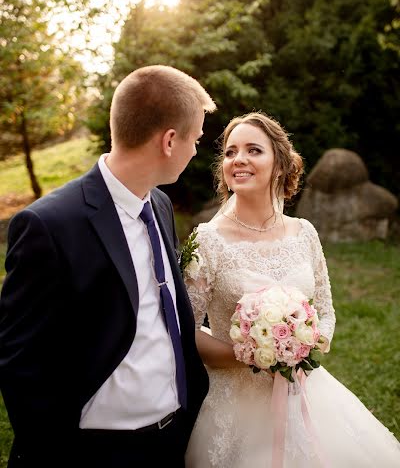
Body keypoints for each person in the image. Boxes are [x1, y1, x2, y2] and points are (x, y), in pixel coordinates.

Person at [0, 65, 215, 468]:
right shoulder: (49, 225)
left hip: (172, 439)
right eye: (196, 139)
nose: (196, 150)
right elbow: (20, 363)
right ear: (169, 141)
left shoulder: (160, 204)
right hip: (94, 452)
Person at [183, 111, 400, 467]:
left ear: (280, 164)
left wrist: (303, 347)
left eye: (254, 150)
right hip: (237, 405)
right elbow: (184, 330)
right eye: (230, 152)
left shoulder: (304, 232)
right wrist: (253, 353)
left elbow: (326, 311)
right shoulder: (208, 240)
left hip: (306, 389)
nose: (239, 159)